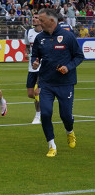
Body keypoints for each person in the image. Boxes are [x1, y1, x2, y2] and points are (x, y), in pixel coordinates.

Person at [31, 8, 83, 157]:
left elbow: (79, 56)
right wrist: (35, 62)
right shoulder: (39, 38)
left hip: (65, 83)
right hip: (46, 83)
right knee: (46, 114)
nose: (38, 22)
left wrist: (68, 67)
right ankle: (51, 145)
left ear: (51, 21)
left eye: (41, 20)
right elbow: (35, 56)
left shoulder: (68, 36)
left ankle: (69, 131)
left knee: (66, 116)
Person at [23, 12, 42, 124]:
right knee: (30, 94)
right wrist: (26, 53)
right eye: (33, 17)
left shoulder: (46, 33)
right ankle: (46, 99)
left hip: (42, 67)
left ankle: (38, 116)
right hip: (31, 67)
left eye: (36, 18)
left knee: (37, 92)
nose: (33, 19)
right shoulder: (28, 32)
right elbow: (27, 46)